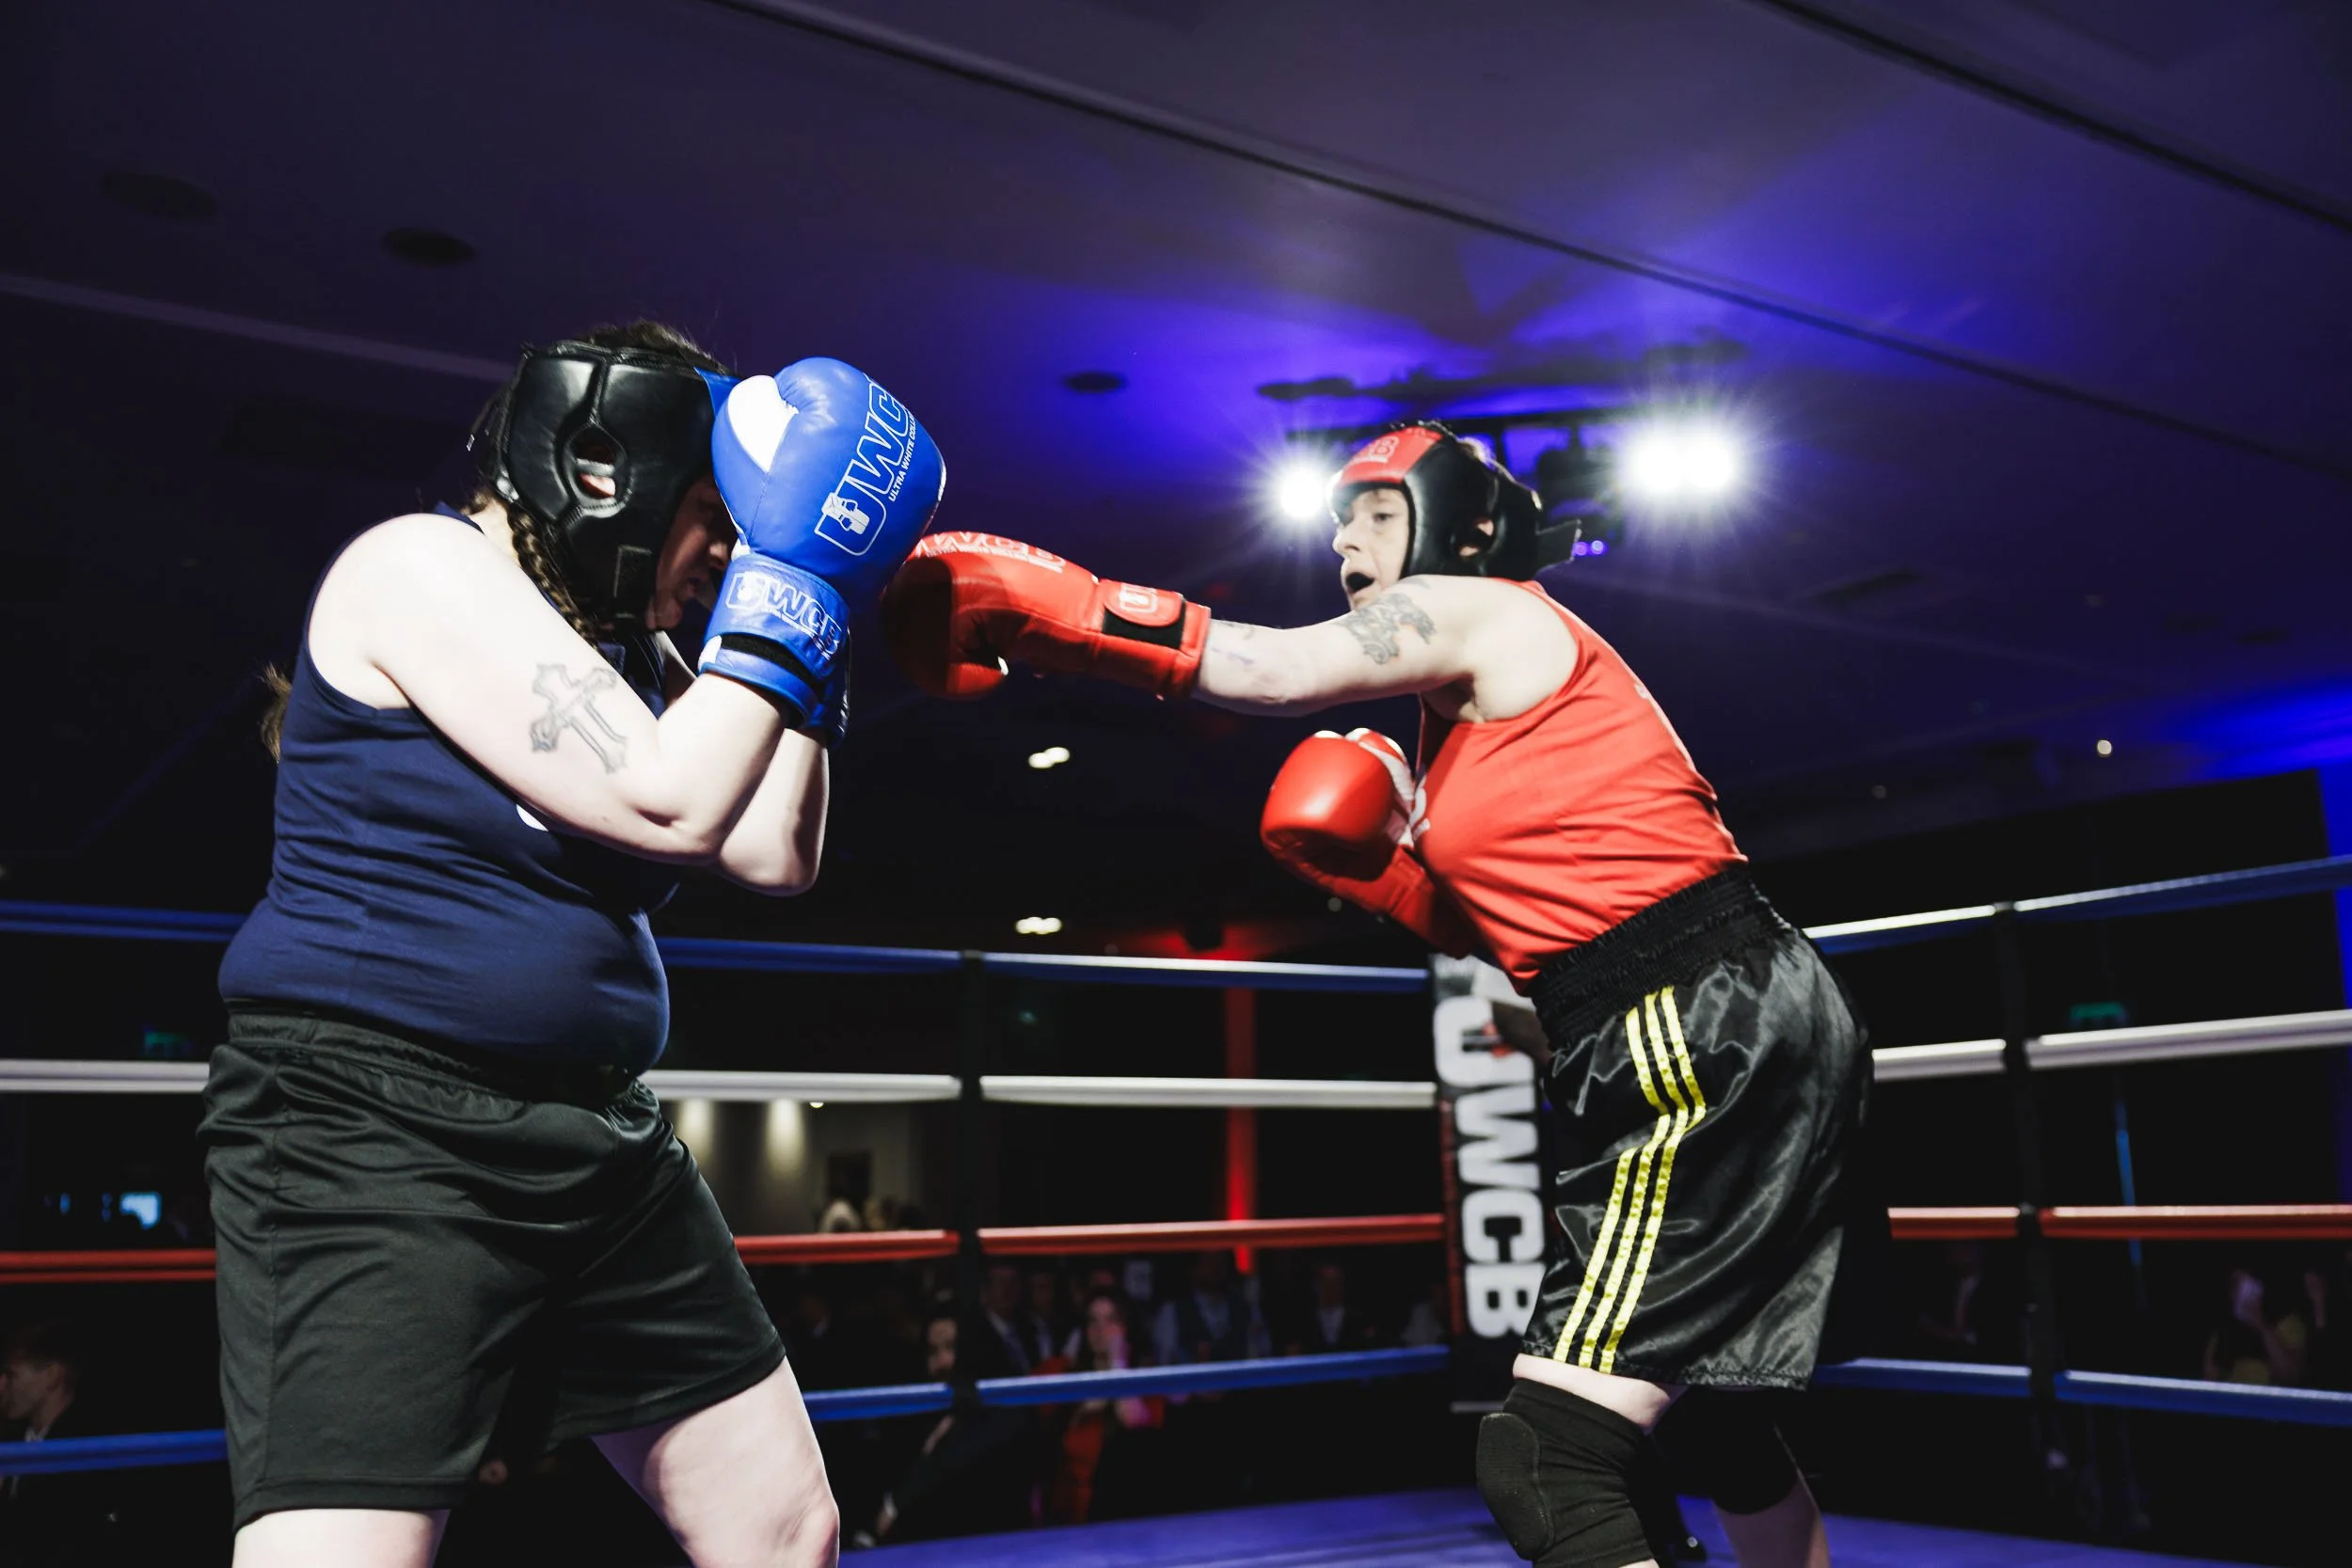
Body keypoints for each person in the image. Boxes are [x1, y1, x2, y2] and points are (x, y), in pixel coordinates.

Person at [881, 421, 1876, 1568]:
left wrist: (1055, 610)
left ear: (1458, 530)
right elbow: (1550, 980)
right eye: (1337, 520)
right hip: (1718, 1008)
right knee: (1718, 1412)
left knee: (1546, 1454)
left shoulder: (1483, 603)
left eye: (1376, 513)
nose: (1345, 537)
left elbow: (1271, 668)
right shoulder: (1470, 715)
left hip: (1696, 1025)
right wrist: (1399, 885)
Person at [201, 324, 943, 1568]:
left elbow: (773, 847)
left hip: (590, 1139)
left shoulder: (618, 648)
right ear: (616, 472)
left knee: (782, 1525)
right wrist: (797, 571)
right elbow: (670, 800)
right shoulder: (416, 565)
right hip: (375, 1136)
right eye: (718, 516)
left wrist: (820, 594)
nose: (721, 554)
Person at [1043, 1291, 1164, 1525]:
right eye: (1093, 1321)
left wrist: (1118, 1362)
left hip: (1116, 1512)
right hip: (1065, 1513)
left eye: (1111, 1320)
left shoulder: (1144, 1382)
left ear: (1126, 1327)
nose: (1101, 1329)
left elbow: (1135, 1422)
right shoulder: (1069, 1375)